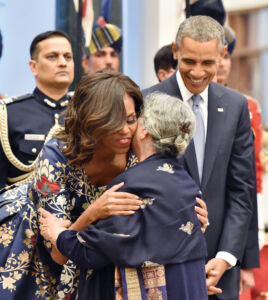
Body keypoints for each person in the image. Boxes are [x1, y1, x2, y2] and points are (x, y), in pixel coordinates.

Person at [39, 92, 208, 300]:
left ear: (145, 130)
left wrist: (57, 234)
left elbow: (94, 251)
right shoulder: (187, 183)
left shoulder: (133, 183)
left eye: (134, 120)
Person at [0, 71, 144, 299]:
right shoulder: (57, 153)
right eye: (114, 120)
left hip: (95, 255)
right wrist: (95, 211)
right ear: (92, 119)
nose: (125, 130)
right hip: (32, 246)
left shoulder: (140, 150)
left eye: (131, 119)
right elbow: (57, 253)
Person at [143, 15, 256, 300]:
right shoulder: (147, 102)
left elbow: (242, 190)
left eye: (208, 63)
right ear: (175, 51)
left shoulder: (236, 106)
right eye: (189, 61)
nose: (197, 72)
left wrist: (228, 256)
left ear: (222, 56)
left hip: (219, 270)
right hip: (164, 268)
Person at [216, 26, 263, 300]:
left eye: (225, 56)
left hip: (234, 225)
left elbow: (249, 182)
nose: (221, 64)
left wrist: (249, 255)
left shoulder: (246, 107)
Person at [0, 30, 74, 189]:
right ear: (34, 67)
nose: (62, 63)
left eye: (68, 57)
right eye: (52, 57)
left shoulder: (87, 111)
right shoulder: (9, 114)